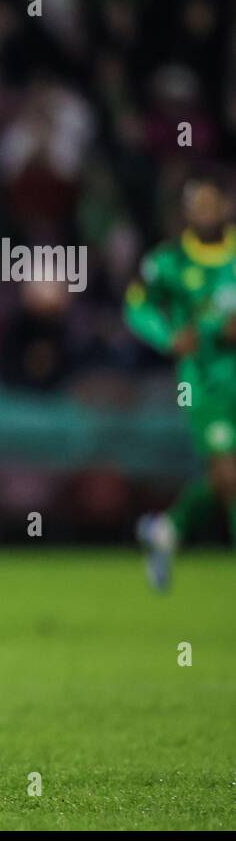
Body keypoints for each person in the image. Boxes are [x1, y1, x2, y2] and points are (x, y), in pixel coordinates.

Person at [126, 175, 236, 590]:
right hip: (202, 381)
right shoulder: (169, 263)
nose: (206, 211)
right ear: (186, 212)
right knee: (229, 476)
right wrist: (169, 337)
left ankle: (167, 528)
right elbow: (136, 306)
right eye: (197, 204)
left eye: (213, 202)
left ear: (226, 206)